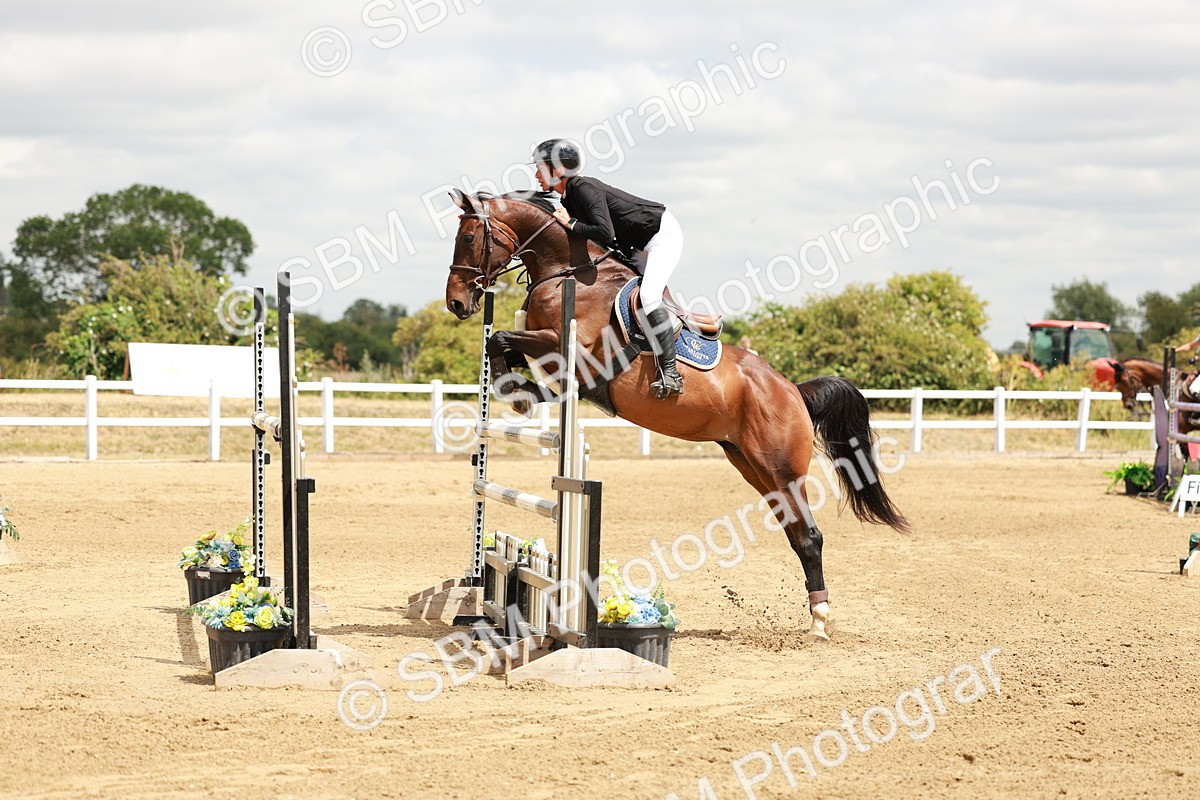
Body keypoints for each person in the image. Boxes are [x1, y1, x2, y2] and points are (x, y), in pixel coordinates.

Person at [530, 138, 685, 398]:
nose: (535, 174)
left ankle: (671, 372)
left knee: (648, 296)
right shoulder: (568, 197)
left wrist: (572, 224)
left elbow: (603, 231)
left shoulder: (582, 187)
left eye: (540, 168)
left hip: (660, 236)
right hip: (634, 244)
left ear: (558, 171)